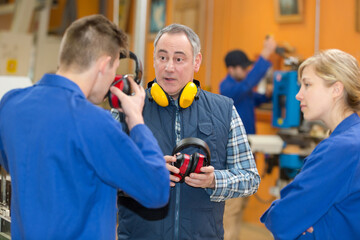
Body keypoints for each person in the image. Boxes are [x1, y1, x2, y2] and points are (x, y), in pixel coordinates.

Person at [0, 14, 170, 239]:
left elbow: (12, 163)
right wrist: (136, 120)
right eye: (114, 69)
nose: (113, 78)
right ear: (103, 65)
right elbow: (156, 189)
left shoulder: (10, 104)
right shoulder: (96, 122)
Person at [115, 23, 260, 240]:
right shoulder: (127, 108)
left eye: (179, 59)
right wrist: (143, 173)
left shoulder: (225, 110)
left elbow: (250, 178)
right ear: (153, 60)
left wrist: (214, 181)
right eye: (162, 58)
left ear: (197, 62)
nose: (169, 67)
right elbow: (101, 174)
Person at [260, 49, 360, 239]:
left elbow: (281, 218)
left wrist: (297, 219)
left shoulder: (340, 148)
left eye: (307, 85)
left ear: (336, 90)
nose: (298, 95)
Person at [219, 37, 276, 240]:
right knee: (231, 209)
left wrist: (271, 92)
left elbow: (257, 97)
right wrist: (265, 55)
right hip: (233, 156)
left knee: (241, 203)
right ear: (231, 69)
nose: (245, 72)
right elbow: (249, 85)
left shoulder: (242, 90)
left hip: (247, 152)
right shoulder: (227, 88)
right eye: (242, 69)